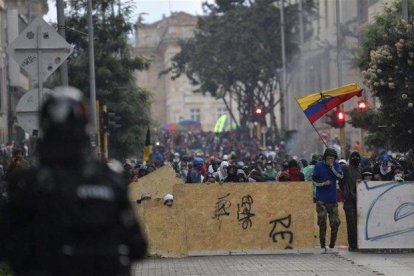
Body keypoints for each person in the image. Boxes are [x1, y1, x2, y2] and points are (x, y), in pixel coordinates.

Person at [0, 87, 147, 275]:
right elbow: (137, 246)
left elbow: (6, 243)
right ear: (85, 128)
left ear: (46, 127)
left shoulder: (29, 183)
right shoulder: (110, 178)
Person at [312, 148, 343, 253]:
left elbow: (340, 176)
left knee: (335, 222)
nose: (331, 160)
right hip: (321, 199)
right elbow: (314, 180)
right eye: (329, 158)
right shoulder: (318, 166)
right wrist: (322, 184)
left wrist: (332, 167)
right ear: (325, 157)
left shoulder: (336, 165)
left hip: (332, 199)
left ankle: (332, 244)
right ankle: (322, 244)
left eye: (333, 158)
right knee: (322, 222)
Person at [338, 151, 362, 252]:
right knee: (351, 223)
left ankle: (358, 243)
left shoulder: (360, 170)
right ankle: (352, 244)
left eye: (357, 156)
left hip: (359, 201)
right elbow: (340, 178)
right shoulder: (346, 168)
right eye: (353, 156)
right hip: (349, 201)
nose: (355, 158)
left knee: (358, 224)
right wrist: (345, 191)